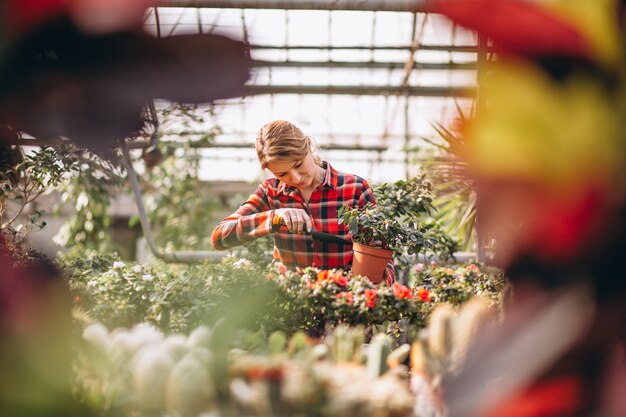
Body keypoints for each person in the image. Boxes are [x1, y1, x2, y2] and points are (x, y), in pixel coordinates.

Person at [211, 119, 395, 284]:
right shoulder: (271, 192)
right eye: (282, 174)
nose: (296, 178)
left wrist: (375, 285)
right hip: (293, 307)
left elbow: (381, 255)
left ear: (308, 145)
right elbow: (220, 237)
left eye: (298, 164)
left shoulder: (354, 188)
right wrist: (273, 218)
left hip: (345, 305)